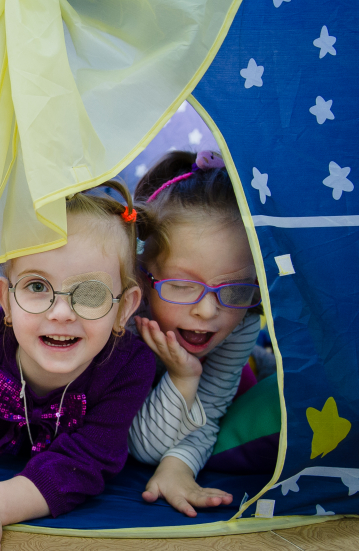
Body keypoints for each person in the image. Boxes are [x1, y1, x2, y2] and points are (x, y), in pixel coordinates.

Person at [0, 182, 155, 551]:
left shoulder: (127, 367)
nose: (61, 313)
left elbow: (87, 461)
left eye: (91, 293)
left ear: (124, 310)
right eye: (36, 286)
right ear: (6, 301)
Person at [127, 150, 263, 517]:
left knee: (244, 380)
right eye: (184, 285)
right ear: (143, 275)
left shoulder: (242, 319)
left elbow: (212, 411)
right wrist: (183, 376)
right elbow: (140, 447)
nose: (207, 310)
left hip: (222, 365)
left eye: (234, 287)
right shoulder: (120, 318)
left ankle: (259, 361)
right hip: (161, 383)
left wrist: (180, 464)